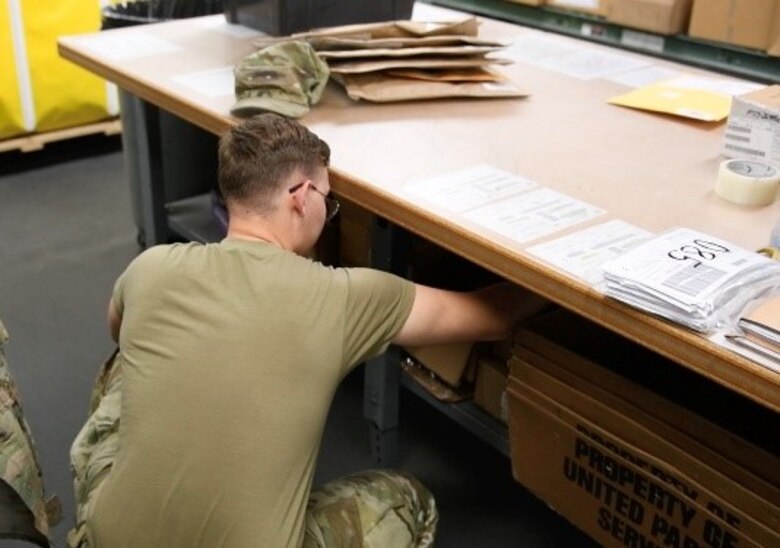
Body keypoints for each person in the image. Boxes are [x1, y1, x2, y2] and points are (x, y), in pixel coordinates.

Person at [74, 113, 547, 547]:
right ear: (301, 197)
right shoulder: (341, 297)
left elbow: (117, 328)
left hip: (107, 537)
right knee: (409, 498)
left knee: (131, 362)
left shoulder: (152, 266)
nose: (328, 212)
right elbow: (490, 317)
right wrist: (575, 278)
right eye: (328, 199)